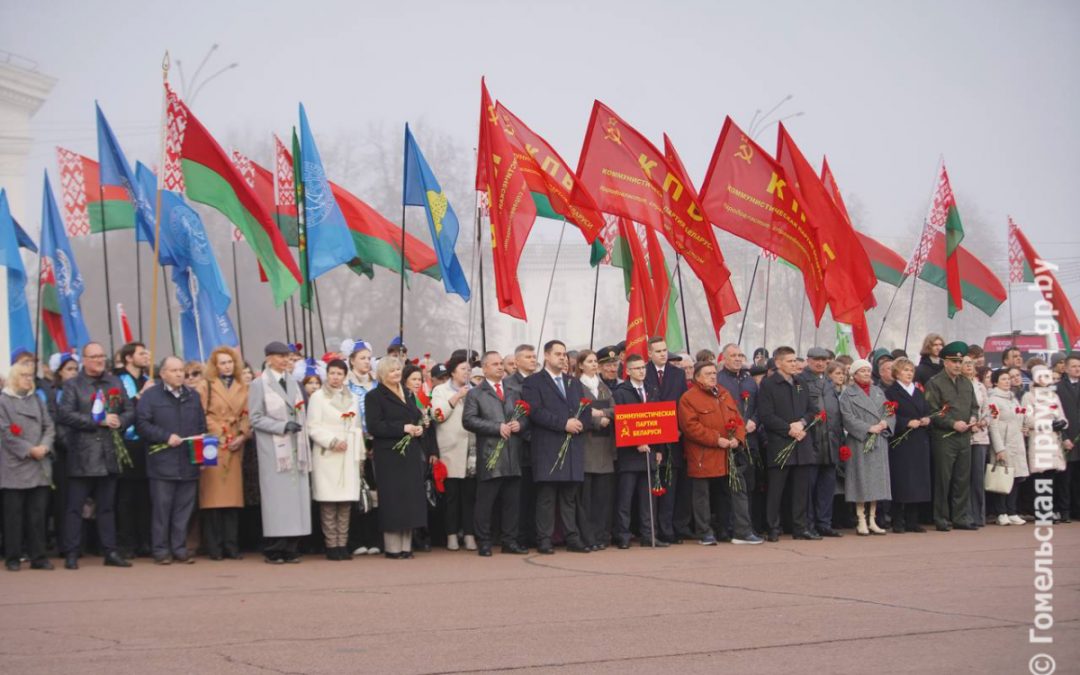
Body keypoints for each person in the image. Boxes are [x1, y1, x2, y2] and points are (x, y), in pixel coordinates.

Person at [56, 342, 135, 569]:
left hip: (109, 453)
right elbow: (65, 415)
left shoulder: (115, 382)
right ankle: (71, 552)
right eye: (94, 357)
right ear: (85, 360)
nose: (100, 360)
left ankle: (110, 552)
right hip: (82, 454)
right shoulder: (73, 385)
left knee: (107, 507)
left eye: (102, 355)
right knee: (75, 507)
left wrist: (121, 421)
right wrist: (96, 422)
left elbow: (130, 410)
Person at [678, 360, 761, 545]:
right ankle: (704, 532)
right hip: (703, 454)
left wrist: (738, 438)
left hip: (729, 453)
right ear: (697, 377)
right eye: (708, 374)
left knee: (737, 491)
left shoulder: (723, 393)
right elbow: (690, 427)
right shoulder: (689, 398)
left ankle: (742, 531)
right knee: (702, 495)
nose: (713, 376)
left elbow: (738, 418)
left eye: (714, 373)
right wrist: (717, 439)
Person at [135, 356, 207, 564]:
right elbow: (142, 424)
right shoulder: (151, 396)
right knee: (161, 509)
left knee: (184, 509)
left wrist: (201, 456)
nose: (179, 374)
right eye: (174, 371)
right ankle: (160, 550)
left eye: (181, 370)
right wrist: (165, 436)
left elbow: (200, 427)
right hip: (162, 461)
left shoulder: (192, 396)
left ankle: (179, 548)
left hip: (188, 461)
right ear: (163, 374)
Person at [522, 339, 589, 554]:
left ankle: (572, 537)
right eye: (558, 354)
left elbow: (584, 408)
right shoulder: (534, 382)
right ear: (546, 356)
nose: (563, 358)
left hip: (572, 448)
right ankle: (544, 539)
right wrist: (564, 424)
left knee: (569, 496)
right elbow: (535, 411)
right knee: (547, 497)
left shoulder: (573, 382)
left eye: (564, 354)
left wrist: (581, 422)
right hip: (548, 447)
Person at [249, 341, 312, 564]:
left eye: (287, 356)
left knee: (295, 499)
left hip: (296, 446)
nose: (285, 360)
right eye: (280, 356)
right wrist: (282, 426)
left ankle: (292, 546)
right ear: (269, 358)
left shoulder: (294, 383)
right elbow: (255, 418)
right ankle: (275, 548)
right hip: (274, 448)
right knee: (277, 500)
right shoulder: (259, 384)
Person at [463, 351, 529, 556]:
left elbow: (526, 416)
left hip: (513, 454)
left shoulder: (513, 389)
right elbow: (469, 420)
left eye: (501, 364)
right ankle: (484, 541)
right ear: (484, 368)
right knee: (486, 502)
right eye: (495, 364)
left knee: (512, 502)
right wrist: (495, 427)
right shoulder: (476, 393)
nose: (500, 367)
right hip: (490, 454)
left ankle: (510, 541)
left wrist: (521, 424)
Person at [365, 357, 430, 559]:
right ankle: (393, 548)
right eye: (392, 371)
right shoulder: (374, 396)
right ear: (383, 374)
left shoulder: (406, 394)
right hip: (389, 454)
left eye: (398, 370)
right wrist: (402, 428)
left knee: (410, 499)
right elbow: (375, 426)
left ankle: (406, 546)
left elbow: (415, 417)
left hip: (409, 453)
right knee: (393, 499)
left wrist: (419, 427)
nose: (396, 374)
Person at [194, 346, 250, 561]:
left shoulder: (243, 387)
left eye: (229, 362)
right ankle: (214, 547)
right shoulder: (205, 386)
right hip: (213, 445)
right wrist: (218, 431)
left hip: (235, 445)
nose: (227, 366)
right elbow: (201, 413)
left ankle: (231, 545)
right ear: (215, 366)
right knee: (212, 499)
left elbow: (247, 414)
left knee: (232, 500)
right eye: (222, 363)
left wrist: (243, 434)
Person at [758, 346, 819, 542]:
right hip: (780, 444)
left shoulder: (801, 382)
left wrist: (802, 424)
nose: (795, 364)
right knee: (777, 489)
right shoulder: (768, 384)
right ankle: (772, 527)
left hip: (802, 442)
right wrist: (788, 428)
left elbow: (812, 410)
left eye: (795, 361)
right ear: (778, 363)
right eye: (790, 361)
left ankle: (800, 527)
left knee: (801, 490)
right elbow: (766, 416)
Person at [1, 361, 56, 570]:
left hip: (39, 465)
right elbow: (5, 433)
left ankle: (38, 557)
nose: (28, 379)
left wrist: (44, 445)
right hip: (15, 466)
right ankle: (13, 557)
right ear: (14, 377)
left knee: (37, 515)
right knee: (13, 517)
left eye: (30, 376)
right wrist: (28, 449)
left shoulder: (36, 400)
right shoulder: (3, 401)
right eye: (24, 375)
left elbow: (49, 425)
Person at [308, 359, 363, 560]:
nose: (335, 377)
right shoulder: (317, 397)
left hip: (348, 454)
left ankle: (343, 543)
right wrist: (332, 441)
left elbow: (358, 426)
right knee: (329, 502)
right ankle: (331, 544)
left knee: (345, 502)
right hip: (328, 454)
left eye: (339, 373)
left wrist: (359, 452)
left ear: (345, 376)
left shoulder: (353, 398)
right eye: (332, 373)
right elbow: (313, 426)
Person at [611, 354, 665, 548]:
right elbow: (620, 422)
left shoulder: (651, 390)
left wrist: (658, 449)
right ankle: (623, 536)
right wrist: (635, 442)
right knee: (625, 498)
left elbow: (657, 421)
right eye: (637, 368)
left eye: (643, 367)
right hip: (629, 454)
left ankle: (649, 535)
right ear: (628, 371)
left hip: (649, 453)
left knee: (648, 498)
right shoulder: (621, 392)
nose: (641, 371)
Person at [924, 341, 979, 531]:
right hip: (944, 438)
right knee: (943, 479)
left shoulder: (966, 382)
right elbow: (933, 411)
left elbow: (974, 406)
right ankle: (941, 518)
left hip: (965, 437)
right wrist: (953, 423)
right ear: (945, 362)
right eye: (954, 361)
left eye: (960, 361)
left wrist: (974, 417)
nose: (958, 365)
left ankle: (960, 517)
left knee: (962, 479)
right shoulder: (934, 383)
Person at [643, 337, 690, 543]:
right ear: (650, 353)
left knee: (671, 484)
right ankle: (650, 530)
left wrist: (679, 428)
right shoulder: (642, 371)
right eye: (658, 351)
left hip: (673, 437)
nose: (663, 354)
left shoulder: (678, 374)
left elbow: (682, 403)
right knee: (652, 485)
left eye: (664, 350)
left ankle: (668, 528)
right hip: (650, 437)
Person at [840, 359, 894, 536]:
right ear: (854, 375)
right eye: (862, 371)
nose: (866, 374)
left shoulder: (878, 391)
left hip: (878, 441)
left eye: (868, 371)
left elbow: (889, 410)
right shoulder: (847, 395)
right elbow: (847, 417)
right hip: (860, 442)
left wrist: (886, 423)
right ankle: (860, 518)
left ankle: (873, 519)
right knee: (861, 480)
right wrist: (868, 428)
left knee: (876, 481)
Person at [431, 355, 476, 551]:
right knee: (452, 496)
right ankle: (450, 534)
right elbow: (437, 415)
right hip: (450, 449)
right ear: (453, 372)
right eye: (463, 369)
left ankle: (469, 534)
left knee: (469, 495)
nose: (467, 372)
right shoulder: (440, 390)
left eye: (469, 369)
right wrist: (456, 397)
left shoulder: (475, 390)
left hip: (471, 450)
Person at [883, 358, 931, 533]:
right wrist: (905, 422)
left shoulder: (918, 392)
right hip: (902, 442)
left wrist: (927, 419)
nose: (909, 373)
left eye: (911, 370)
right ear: (897, 373)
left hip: (919, 440)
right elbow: (888, 415)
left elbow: (926, 410)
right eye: (905, 370)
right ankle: (897, 520)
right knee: (901, 481)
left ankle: (913, 520)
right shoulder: (891, 392)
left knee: (917, 482)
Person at [114, 341, 153, 560]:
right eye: (141, 353)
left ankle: (144, 541)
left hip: (145, 443)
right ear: (129, 358)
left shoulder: (148, 379)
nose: (146, 356)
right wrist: (141, 394)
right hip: (127, 442)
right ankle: (126, 542)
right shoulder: (120, 380)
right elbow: (120, 406)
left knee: (144, 496)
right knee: (126, 496)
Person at [800, 347, 842, 538]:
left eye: (823, 360)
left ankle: (824, 523)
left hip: (830, 442)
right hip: (812, 441)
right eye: (816, 359)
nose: (820, 363)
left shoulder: (828, 383)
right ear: (808, 360)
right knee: (809, 488)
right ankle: (808, 525)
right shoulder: (801, 380)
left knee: (827, 487)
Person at [576, 349, 615, 551]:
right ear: (581, 365)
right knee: (586, 499)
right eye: (589, 361)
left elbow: (614, 409)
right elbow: (578, 411)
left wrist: (600, 412)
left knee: (603, 498)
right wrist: (599, 420)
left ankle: (601, 535)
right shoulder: (577, 386)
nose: (593, 364)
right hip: (586, 447)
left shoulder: (603, 387)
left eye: (594, 361)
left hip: (605, 450)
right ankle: (587, 536)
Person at [1022, 365, 1068, 521]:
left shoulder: (1053, 396)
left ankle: (1049, 509)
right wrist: (1048, 424)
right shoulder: (1028, 396)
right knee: (1040, 475)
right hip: (1039, 439)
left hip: (1053, 440)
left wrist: (1062, 423)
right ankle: (1042, 511)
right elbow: (1028, 419)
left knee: (1051, 475)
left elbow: (1062, 416)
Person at [503, 344, 538, 549]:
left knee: (536, 494)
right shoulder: (510, 384)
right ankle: (518, 536)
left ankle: (534, 534)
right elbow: (514, 413)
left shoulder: (540, 381)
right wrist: (527, 432)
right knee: (520, 496)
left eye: (534, 356)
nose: (533, 360)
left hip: (539, 446)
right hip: (520, 446)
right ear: (516, 362)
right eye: (528, 357)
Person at [987, 369, 1027, 525]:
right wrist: (999, 448)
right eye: (1003, 379)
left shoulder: (1013, 398)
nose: (1007, 381)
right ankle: (1001, 512)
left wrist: (1023, 426)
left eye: (1008, 379)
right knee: (1002, 477)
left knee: (1015, 478)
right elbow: (993, 425)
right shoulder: (994, 400)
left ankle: (1012, 511)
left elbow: (1020, 416)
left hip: (1016, 442)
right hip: (1003, 442)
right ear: (996, 382)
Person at [966, 360, 991, 527]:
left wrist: (983, 422)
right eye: (965, 363)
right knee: (964, 478)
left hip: (980, 437)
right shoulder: (958, 385)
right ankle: (966, 515)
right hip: (964, 436)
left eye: (970, 364)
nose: (968, 366)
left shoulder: (981, 387)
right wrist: (970, 424)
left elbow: (988, 411)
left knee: (978, 477)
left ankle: (978, 515)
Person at [1057, 355, 1080, 521]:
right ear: (1065, 368)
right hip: (1068, 438)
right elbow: (1056, 416)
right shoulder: (1057, 388)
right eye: (1073, 366)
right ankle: (1065, 510)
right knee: (1066, 477)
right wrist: (1064, 437)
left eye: (1079, 366)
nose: (1077, 369)